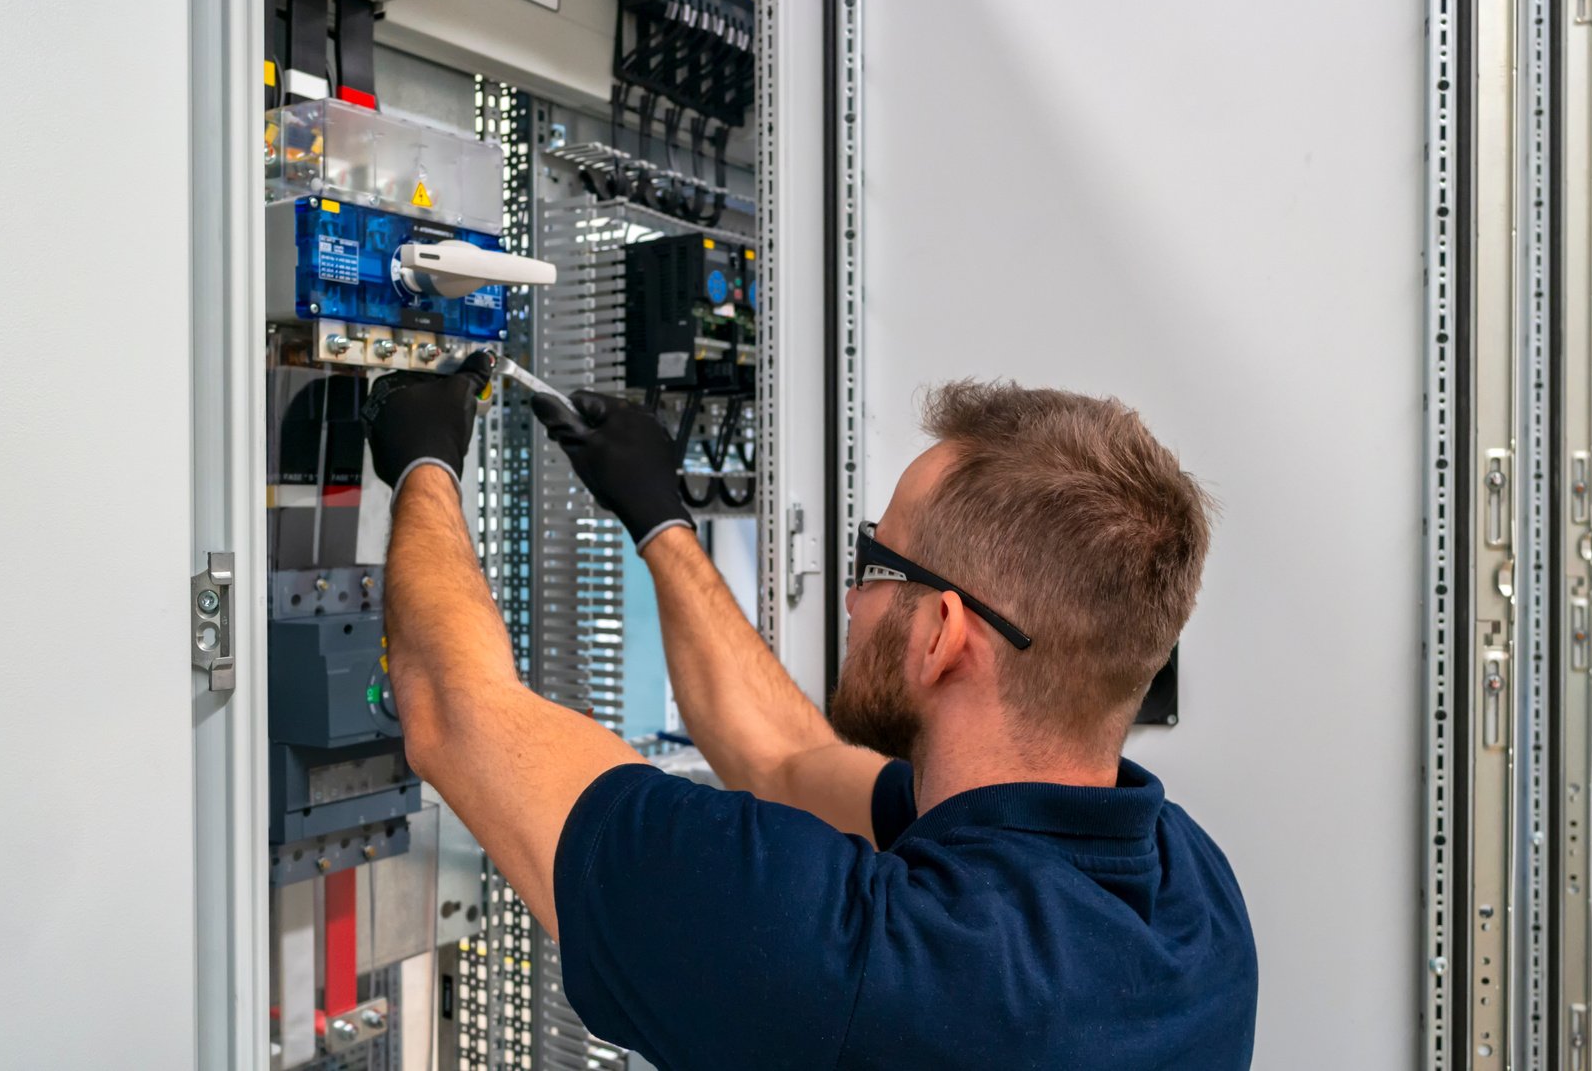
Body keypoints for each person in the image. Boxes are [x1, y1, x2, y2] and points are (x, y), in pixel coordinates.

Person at [363, 357, 1259, 1070]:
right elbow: (785, 759)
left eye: (876, 560)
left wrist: (425, 462)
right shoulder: (1195, 896)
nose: (852, 598)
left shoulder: (865, 968)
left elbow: (453, 709)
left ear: (943, 635)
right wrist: (657, 517)